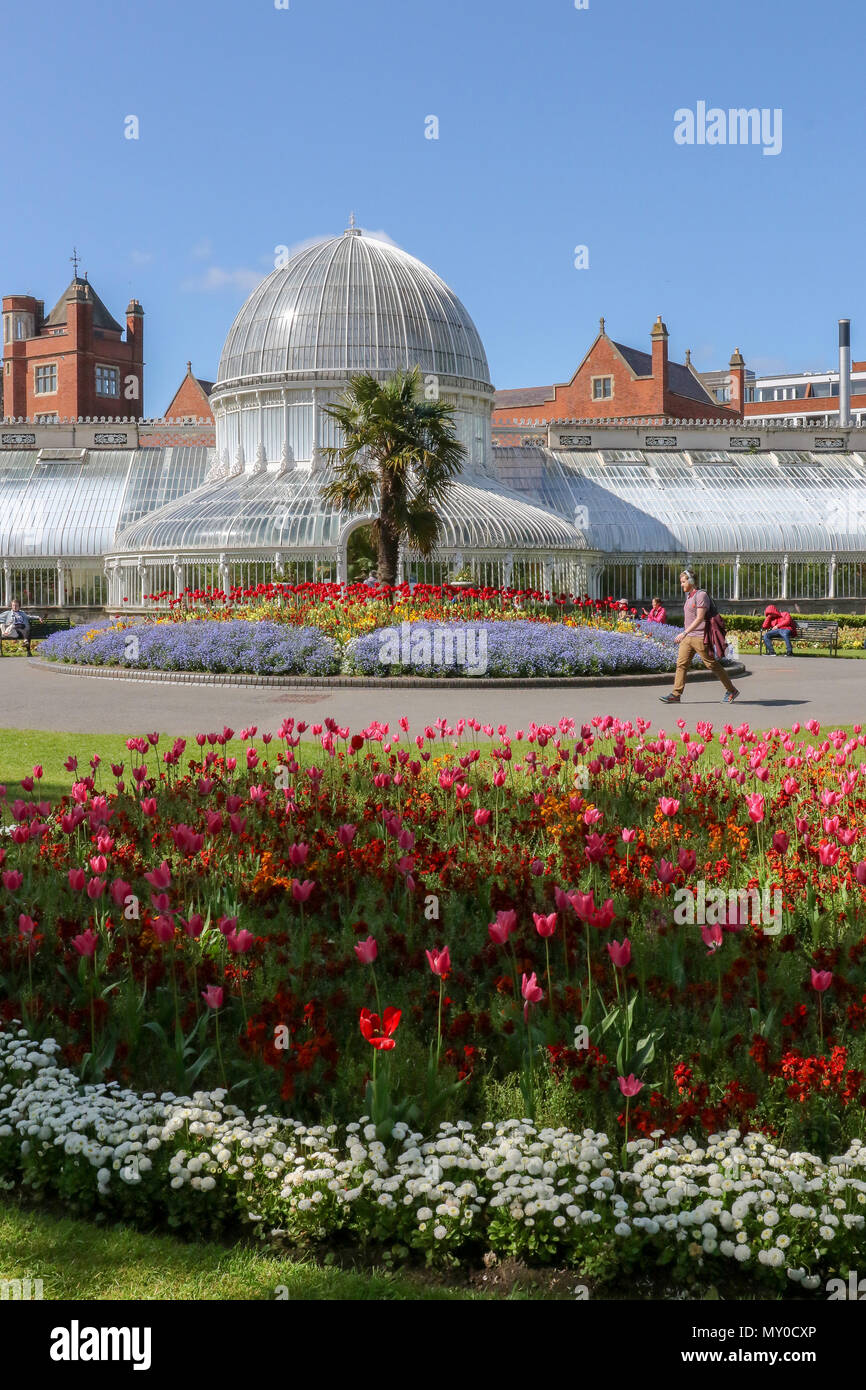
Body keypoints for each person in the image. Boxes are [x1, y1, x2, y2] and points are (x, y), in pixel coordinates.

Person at [660, 570, 740, 704]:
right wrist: (686, 634)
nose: (681, 585)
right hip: (688, 638)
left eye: (683, 582)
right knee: (681, 664)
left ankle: (731, 690)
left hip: (700, 637)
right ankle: (676, 694)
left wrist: (684, 632)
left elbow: (699, 618)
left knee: (711, 664)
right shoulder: (689, 596)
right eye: (681, 582)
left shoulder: (701, 595)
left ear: (691, 581)